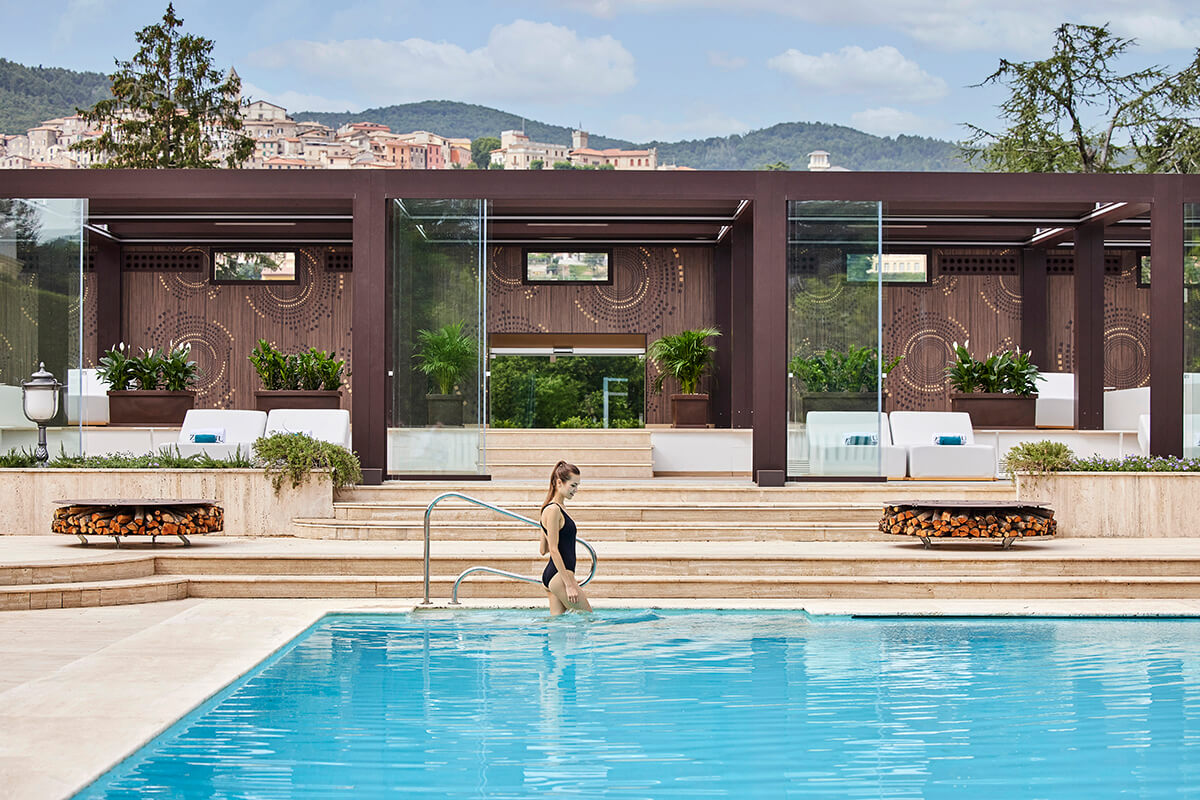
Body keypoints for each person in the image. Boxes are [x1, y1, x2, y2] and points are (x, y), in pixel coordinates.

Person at [539, 460, 593, 616]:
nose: (576, 490)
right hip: (560, 577)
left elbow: (543, 549)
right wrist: (569, 585)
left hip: (553, 576)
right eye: (573, 485)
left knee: (557, 630)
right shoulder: (554, 510)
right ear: (559, 482)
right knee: (588, 618)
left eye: (578, 486)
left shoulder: (550, 508)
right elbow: (553, 550)